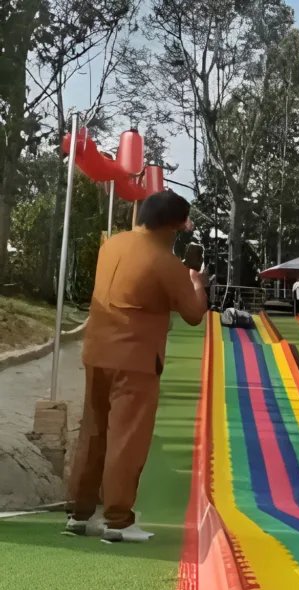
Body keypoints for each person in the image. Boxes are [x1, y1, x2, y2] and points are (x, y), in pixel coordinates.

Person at [65, 190, 207, 543]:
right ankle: (118, 520)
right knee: (127, 439)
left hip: (97, 351)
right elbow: (193, 314)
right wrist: (198, 284)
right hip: (137, 360)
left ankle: (79, 513)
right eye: (185, 221)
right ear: (175, 224)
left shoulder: (111, 245)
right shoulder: (166, 262)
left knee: (93, 433)